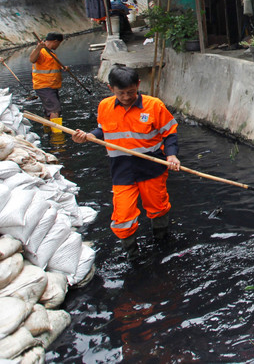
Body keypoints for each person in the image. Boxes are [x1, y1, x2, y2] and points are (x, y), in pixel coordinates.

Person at [72, 65, 181, 258]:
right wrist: (88, 136)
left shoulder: (154, 105)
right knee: (122, 216)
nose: (126, 97)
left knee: (158, 208)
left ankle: (162, 241)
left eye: (131, 92)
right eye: (121, 93)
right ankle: (133, 254)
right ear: (110, 88)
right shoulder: (105, 106)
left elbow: (170, 133)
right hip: (121, 171)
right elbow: (102, 131)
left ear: (138, 85)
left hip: (152, 168)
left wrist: (171, 155)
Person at [30, 33, 66, 120]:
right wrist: (38, 48)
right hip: (44, 86)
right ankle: (56, 133)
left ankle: (47, 130)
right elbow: (32, 59)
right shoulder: (41, 51)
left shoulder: (50, 53)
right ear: (55, 41)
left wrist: (62, 67)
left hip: (51, 85)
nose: (58, 46)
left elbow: (49, 66)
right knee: (55, 109)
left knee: (49, 111)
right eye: (58, 44)